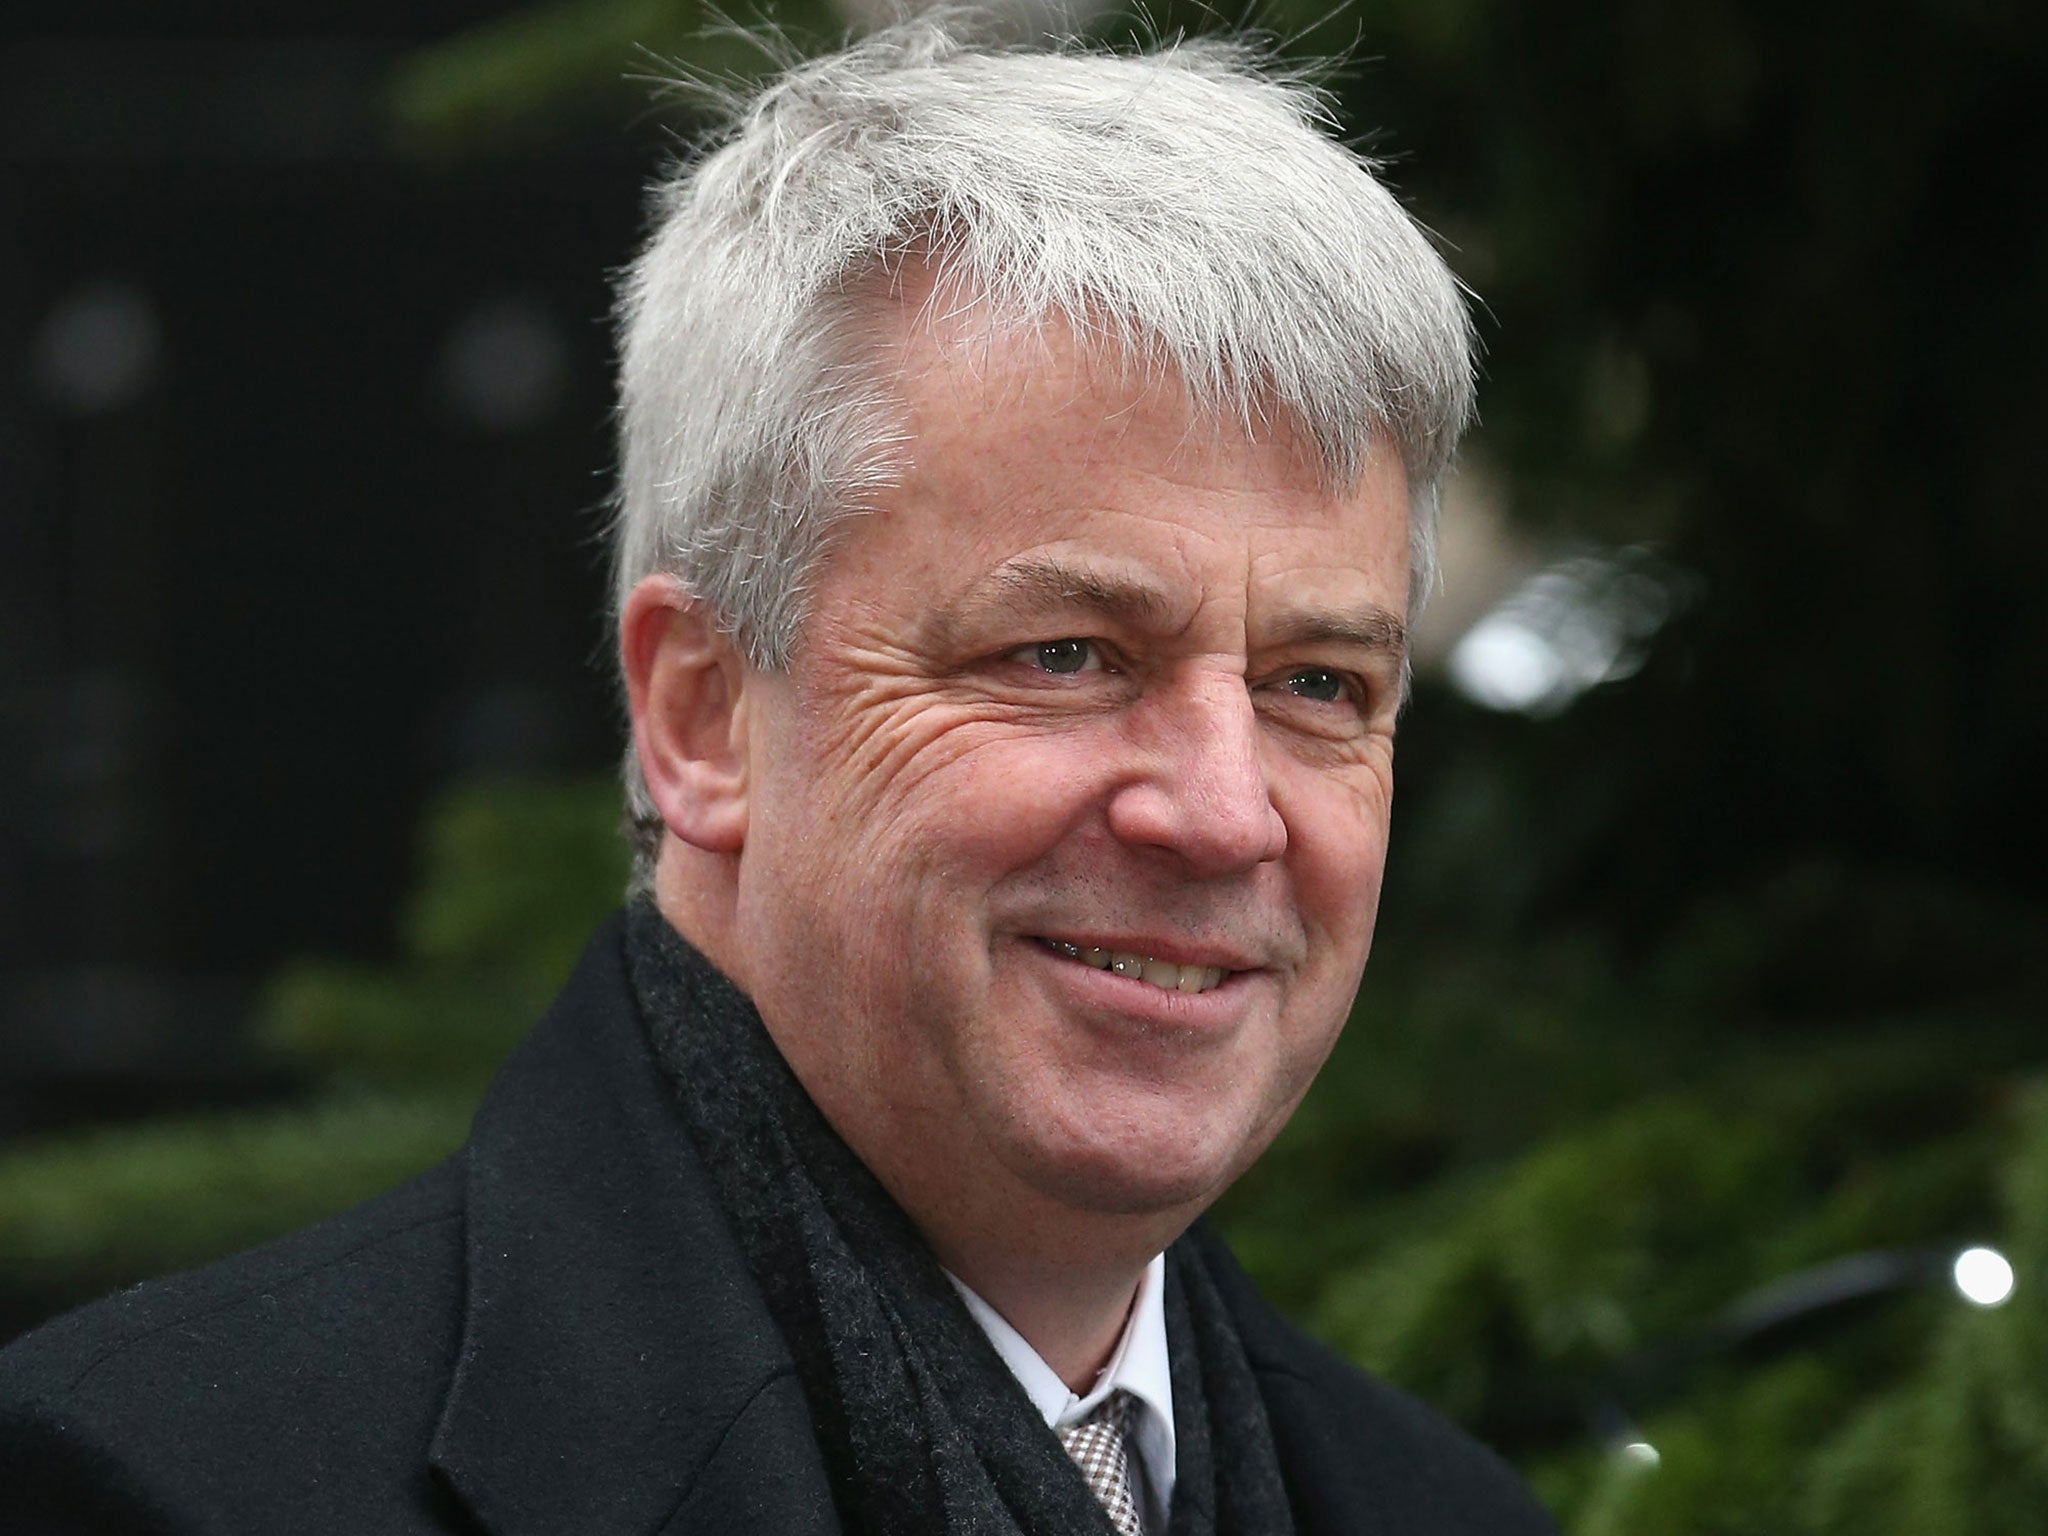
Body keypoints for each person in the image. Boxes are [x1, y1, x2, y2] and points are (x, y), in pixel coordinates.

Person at [0, 19, 1556, 1534]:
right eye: (1067, 653)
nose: (1224, 812)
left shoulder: (1444, 1510)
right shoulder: (171, 1485)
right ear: (702, 714)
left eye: (1315, 686)